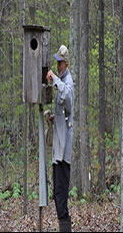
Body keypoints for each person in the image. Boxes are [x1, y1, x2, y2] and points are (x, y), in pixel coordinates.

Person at [46, 45, 74, 232]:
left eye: (60, 62)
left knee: (61, 192)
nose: (57, 65)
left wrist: (55, 79)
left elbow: (68, 98)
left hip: (64, 150)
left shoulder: (67, 81)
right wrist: (53, 119)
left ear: (66, 63)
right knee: (57, 193)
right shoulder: (62, 80)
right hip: (58, 147)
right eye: (56, 62)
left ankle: (65, 228)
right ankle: (63, 226)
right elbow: (65, 112)